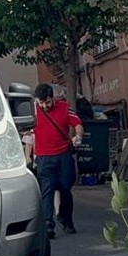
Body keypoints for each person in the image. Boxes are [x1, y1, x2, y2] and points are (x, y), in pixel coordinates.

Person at [32, 83, 83, 238]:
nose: (44, 106)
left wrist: (78, 136)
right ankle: (48, 224)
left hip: (63, 155)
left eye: (47, 102)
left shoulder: (64, 107)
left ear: (52, 98)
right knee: (47, 189)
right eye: (41, 103)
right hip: (43, 157)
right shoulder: (32, 111)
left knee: (65, 188)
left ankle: (65, 218)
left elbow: (78, 124)